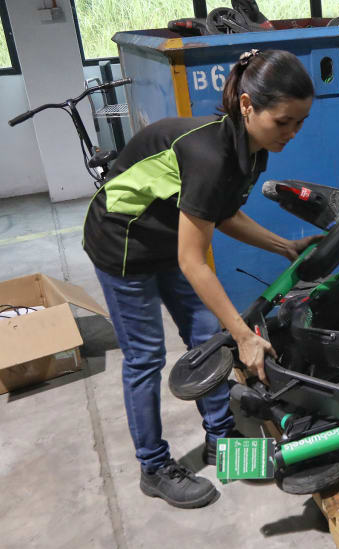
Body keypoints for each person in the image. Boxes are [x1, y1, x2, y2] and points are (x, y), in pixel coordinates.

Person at [82, 49, 319, 509]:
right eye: (283, 121)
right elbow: (194, 262)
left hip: (168, 235)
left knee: (205, 337)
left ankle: (221, 437)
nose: (291, 133)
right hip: (123, 243)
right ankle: (154, 466)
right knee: (146, 357)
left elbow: (222, 213)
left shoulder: (253, 149)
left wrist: (283, 246)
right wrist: (244, 335)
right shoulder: (211, 154)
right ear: (248, 106)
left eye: (300, 122)